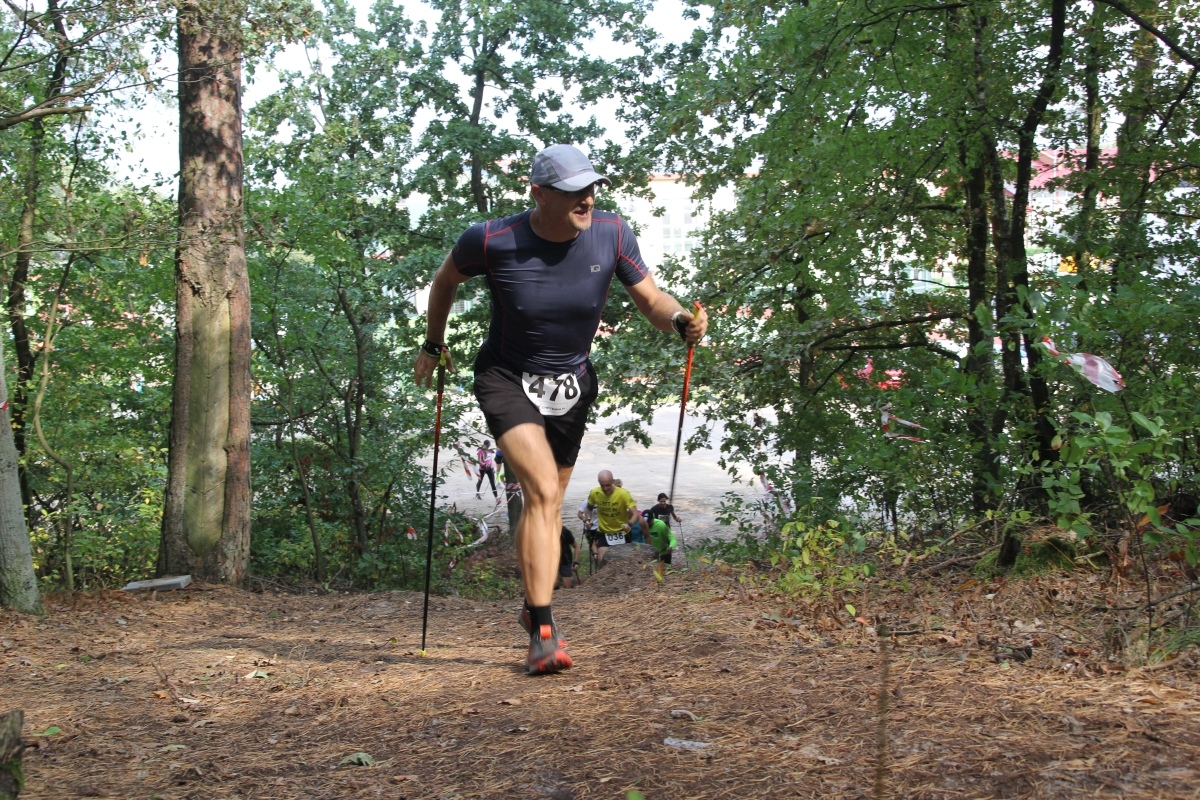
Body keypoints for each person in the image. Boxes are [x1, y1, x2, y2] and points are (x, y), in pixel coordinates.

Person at [413, 144, 708, 675]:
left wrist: (680, 318)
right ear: (539, 194)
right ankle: (544, 633)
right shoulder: (492, 239)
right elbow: (444, 281)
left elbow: (651, 300)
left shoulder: (611, 233)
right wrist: (434, 344)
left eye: (590, 187)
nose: (586, 198)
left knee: (548, 506)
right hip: (506, 377)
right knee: (543, 491)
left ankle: (533, 608)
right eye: (573, 191)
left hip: (572, 385)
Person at [587, 470, 640, 552]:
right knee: (603, 557)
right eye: (602, 486)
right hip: (603, 532)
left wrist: (629, 524)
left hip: (622, 532)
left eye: (608, 485)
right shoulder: (595, 492)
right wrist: (588, 519)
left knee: (622, 557)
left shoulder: (623, 494)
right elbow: (589, 508)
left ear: (612, 481)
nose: (605, 488)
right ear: (599, 482)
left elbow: (635, 514)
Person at [577, 498, 603, 571]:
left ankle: (601, 565)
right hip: (589, 529)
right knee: (592, 548)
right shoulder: (586, 502)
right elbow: (579, 514)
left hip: (599, 528)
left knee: (601, 545)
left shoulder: (602, 500)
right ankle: (596, 566)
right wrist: (585, 521)